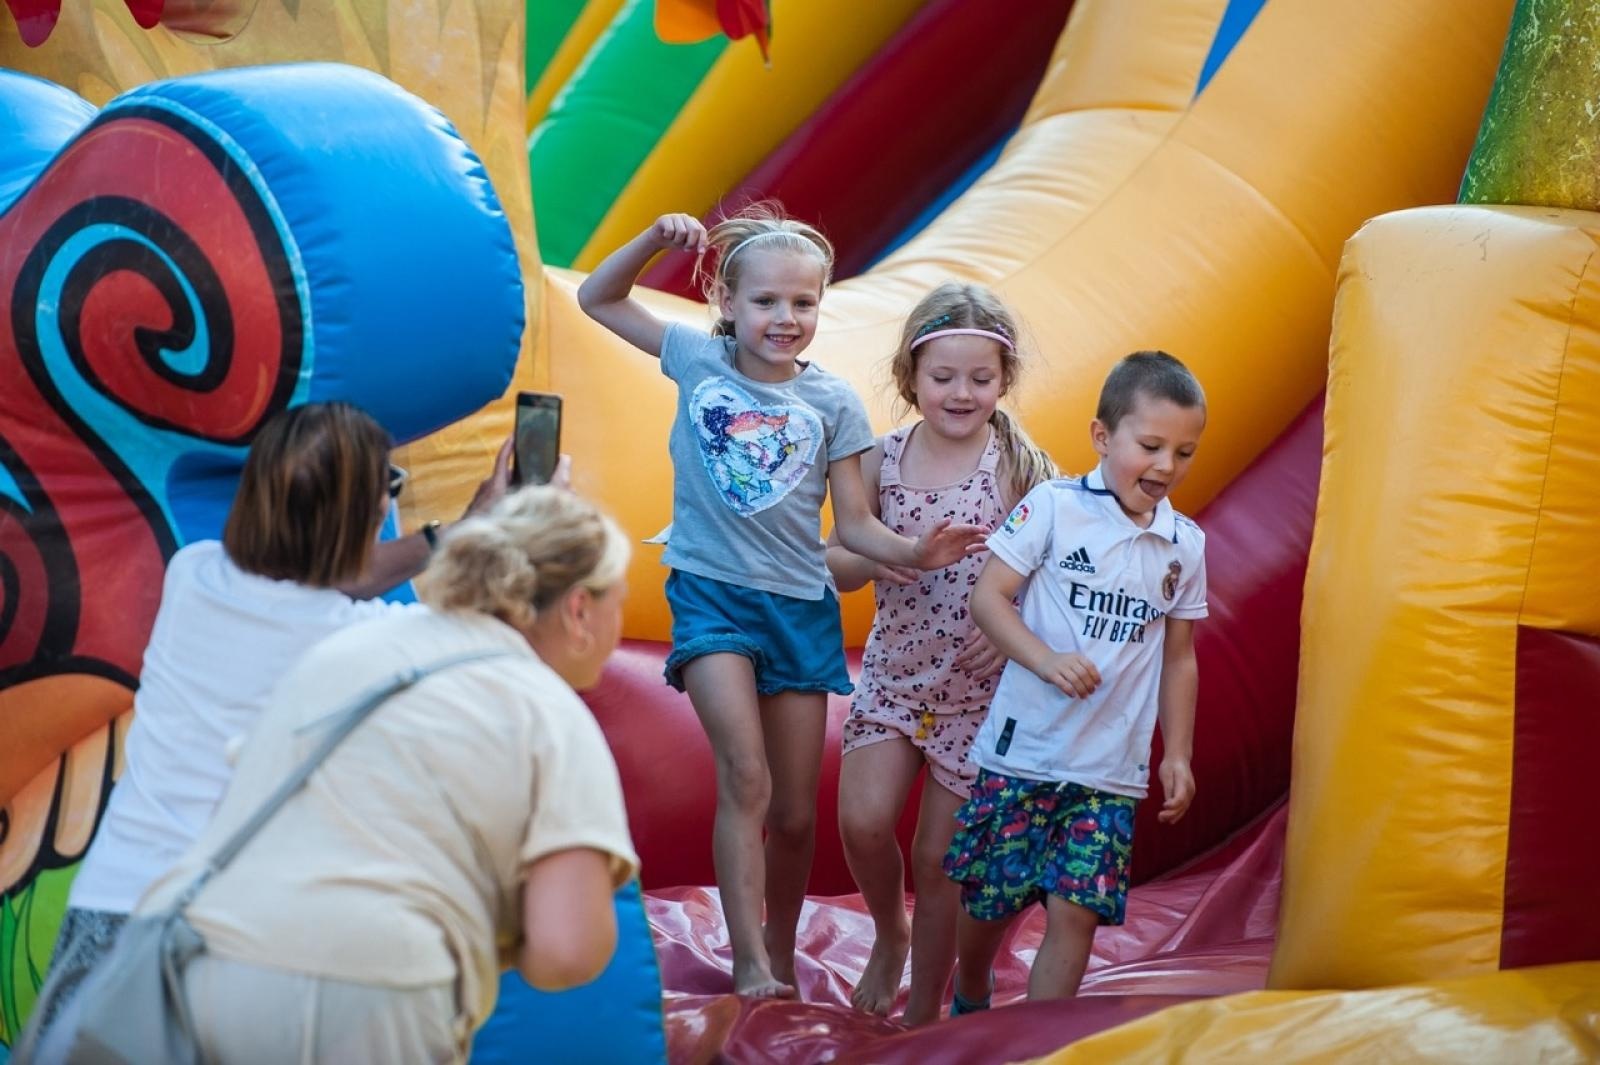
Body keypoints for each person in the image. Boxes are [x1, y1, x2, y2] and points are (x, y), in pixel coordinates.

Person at [17, 401, 510, 1061]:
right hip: (233, 943)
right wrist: (495, 530)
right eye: (385, 490)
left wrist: (451, 533)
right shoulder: (359, 641)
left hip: (117, 907)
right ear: (356, 520)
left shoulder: (191, 574)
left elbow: (334, 573)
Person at [577, 205, 987, 998]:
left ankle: (782, 940)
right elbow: (598, 297)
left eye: (803, 302)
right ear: (727, 303)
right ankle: (751, 962)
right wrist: (654, 243)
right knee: (746, 774)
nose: (785, 317)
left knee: (796, 813)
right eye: (766, 301)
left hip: (798, 607)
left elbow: (856, 524)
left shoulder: (834, 404)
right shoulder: (697, 356)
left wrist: (913, 552)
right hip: (710, 596)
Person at [124, 486, 638, 1063]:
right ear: (577, 609)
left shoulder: (353, 645)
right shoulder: (548, 710)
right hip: (370, 990)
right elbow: (567, 950)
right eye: (616, 601)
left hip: (203, 963)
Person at [942, 351, 1209, 1010]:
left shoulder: (1185, 544)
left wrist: (1177, 752)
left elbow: (1180, 656)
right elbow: (989, 598)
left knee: (1076, 911)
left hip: (1107, 770)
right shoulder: (1055, 507)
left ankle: (1037, 1038)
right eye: (1150, 446)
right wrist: (1043, 658)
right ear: (1102, 436)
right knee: (991, 895)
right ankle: (971, 983)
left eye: (1185, 452)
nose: (1167, 466)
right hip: (1026, 751)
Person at [826, 282, 1058, 1023]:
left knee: (939, 859)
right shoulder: (879, 462)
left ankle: (925, 1003)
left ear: (1004, 381)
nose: (961, 392)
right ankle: (888, 932)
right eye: (943, 377)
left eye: (980, 379)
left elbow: (1064, 573)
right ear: (911, 378)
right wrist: (886, 555)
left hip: (978, 694)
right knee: (862, 821)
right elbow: (834, 562)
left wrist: (1022, 635)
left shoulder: (1021, 469)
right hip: (895, 677)